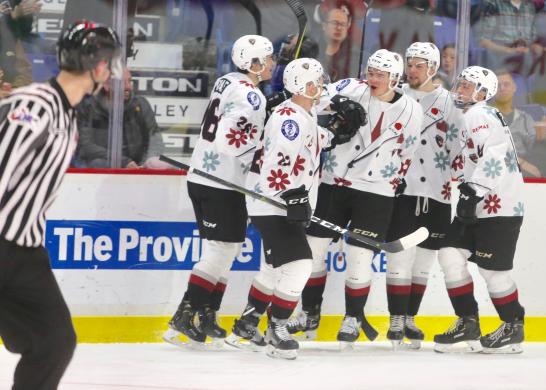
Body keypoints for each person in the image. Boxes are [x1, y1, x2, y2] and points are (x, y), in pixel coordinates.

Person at [0, 20, 121, 389]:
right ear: (98, 66)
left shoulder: (67, 114)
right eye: (111, 63)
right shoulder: (35, 105)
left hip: (25, 253)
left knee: (54, 341)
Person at [225, 59, 366, 357]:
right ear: (306, 86)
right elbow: (278, 161)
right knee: (301, 264)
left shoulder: (304, 114)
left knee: (273, 268)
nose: (322, 84)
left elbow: (315, 139)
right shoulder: (289, 118)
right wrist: (293, 195)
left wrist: (339, 131)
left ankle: (247, 325)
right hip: (274, 203)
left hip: (279, 203)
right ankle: (277, 329)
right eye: (317, 80)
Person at [286, 49, 424, 348]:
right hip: (333, 184)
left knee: (360, 257)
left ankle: (352, 317)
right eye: (371, 71)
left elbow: (408, 151)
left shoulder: (412, 109)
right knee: (313, 249)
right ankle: (309, 313)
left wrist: (393, 181)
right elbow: (310, 102)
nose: (372, 78)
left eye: (380, 74)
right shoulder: (350, 86)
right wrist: (336, 104)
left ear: (395, 78)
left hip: (376, 192)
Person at [163, 34, 276, 350]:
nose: (273, 63)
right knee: (221, 250)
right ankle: (184, 315)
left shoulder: (228, 81)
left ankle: (207, 314)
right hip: (221, 182)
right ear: (254, 64)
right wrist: (264, 140)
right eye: (268, 58)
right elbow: (230, 140)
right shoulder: (252, 96)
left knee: (225, 246)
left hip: (202, 177)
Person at [432, 66, 526, 354]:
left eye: (467, 86)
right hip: (482, 203)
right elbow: (470, 158)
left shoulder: (479, 114)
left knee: (492, 271)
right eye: (460, 84)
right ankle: (467, 322)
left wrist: (473, 193)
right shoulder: (471, 115)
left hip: (499, 206)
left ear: (483, 93)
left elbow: (494, 156)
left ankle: (512, 326)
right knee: (450, 254)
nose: (460, 89)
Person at [384, 42, 464, 349]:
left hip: (438, 193)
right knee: (400, 257)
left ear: (432, 68)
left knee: (423, 262)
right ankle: (395, 319)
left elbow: (458, 146)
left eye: (419, 65)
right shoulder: (397, 97)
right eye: (409, 64)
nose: (411, 70)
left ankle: (410, 319)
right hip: (402, 192)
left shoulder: (450, 103)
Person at [76, 67, 167, 169]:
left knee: (159, 163)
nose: (128, 87)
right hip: (103, 169)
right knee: (97, 164)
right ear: (106, 85)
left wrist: (145, 164)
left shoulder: (141, 105)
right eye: (122, 82)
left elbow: (155, 139)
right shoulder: (88, 107)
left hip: (139, 167)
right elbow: (85, 146)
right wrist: (124, 162)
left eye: (129, 81)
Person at [477, 0, 544, 75]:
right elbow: (484, 42)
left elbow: (533, 39)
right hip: (500, 65)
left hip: (525, 65)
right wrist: (510, 51)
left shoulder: (530, 6)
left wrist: (535, 47)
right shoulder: (493, 4)